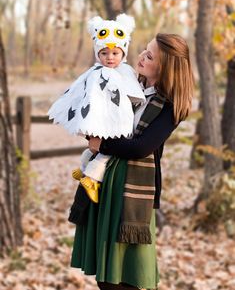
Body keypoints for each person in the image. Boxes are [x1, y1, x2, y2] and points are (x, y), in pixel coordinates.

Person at [70, 33, 194, 290]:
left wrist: (100, 144)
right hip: (105, 182)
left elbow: (141, 148)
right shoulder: (128, 86)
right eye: (144, 51)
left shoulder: (171, 106)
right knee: (106, 274)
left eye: (149, 56)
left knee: (130, 274)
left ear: (165, 67)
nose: (141, 57)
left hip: (133, 192)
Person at [48, 14, 145, 203]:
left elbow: (133, 90)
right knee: (102, 150)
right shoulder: (95, 72)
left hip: (113, 116)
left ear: (123, 53)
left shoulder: (124, 70)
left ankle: (85, 171)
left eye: (115, 53)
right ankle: (91, 178)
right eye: (104, 53)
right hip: (102, 117)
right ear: (97, 53)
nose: (109, 58)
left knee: (100, 149)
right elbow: (80, 92)